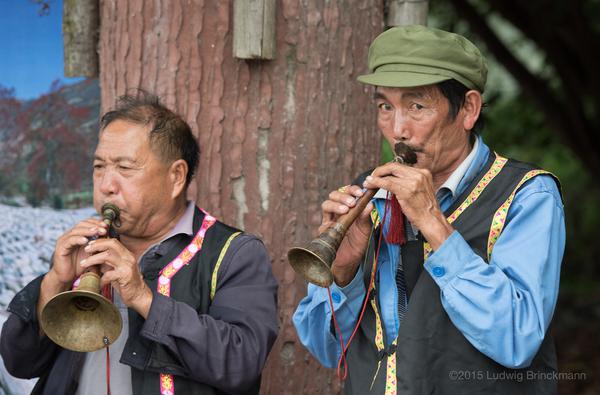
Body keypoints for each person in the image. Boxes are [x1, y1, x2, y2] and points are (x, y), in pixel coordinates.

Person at [293, 25, 565, 394]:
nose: (398, 130)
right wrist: (343, 272)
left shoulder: (527, 196)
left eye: (416, 106)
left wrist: (433, 222)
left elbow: (517, 338)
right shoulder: (369, 198)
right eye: (385, 106)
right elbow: (326, 349)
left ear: (468, 108)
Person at [0, 93, 279, 395]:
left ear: (176, 176)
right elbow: (19, 363)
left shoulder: (235, 254)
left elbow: (242, 362)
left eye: (125, 168)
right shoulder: (87, 248)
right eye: (99, 167)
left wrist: (143, 298)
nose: (106, 184)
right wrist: (55, 281)